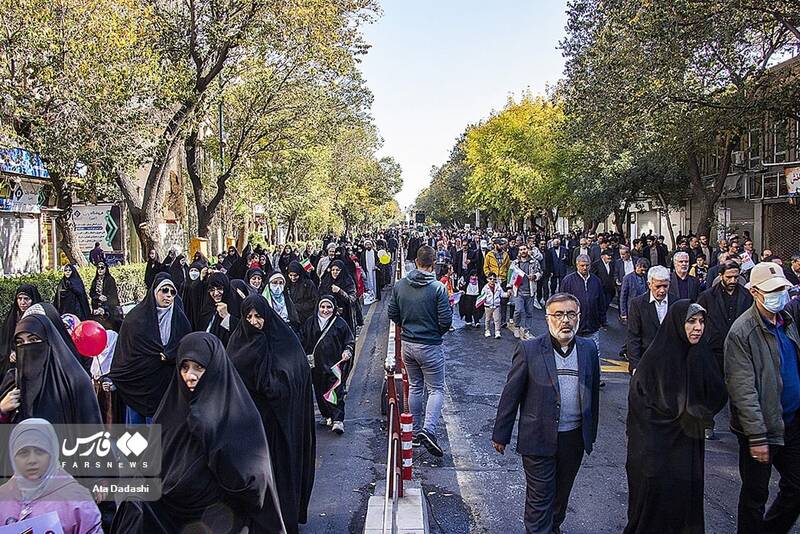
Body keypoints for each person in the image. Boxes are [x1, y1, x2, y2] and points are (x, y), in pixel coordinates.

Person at [112, 332, 283, 534]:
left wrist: (208, 431)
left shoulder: (238, 414)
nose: (190, 376)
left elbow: (252, 481)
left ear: (214, 368)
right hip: (172, 519)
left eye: (199, 367)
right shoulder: (170, 411)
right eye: (184, 367)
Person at [492, 293, 600, 534]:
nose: (566, 321)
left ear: (579, 317)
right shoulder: (529, 349)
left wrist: (589, 434)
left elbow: (593, 394)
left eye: (571, 314)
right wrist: (501, 434)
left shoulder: (588, 349)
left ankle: (553, 528)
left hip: (572, 440)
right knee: (540, 499)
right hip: (538, 437)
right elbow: (511, 394)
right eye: (559, 314)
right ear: (548, 318)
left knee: (560, 498)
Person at [624, 301, 727, 534]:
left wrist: (699, 414)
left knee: (684, 504)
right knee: (653, 505)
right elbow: (640, 408)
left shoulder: (702, 355)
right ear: (677, 324)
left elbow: (718, 391)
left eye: (701, 322)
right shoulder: (655, 359)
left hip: (688, 447)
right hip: (655, 451)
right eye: (691, 321)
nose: (698, 327)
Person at [227, 296, 315, 533]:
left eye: (258, 316)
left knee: (277, 475)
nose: (254, 322)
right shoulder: (238, 341)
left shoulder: (284, 341)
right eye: (249, 316)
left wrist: (268, 381)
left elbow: (294, 376)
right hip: (249, 428)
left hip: (278, 426)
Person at [725, 261, 800, 533]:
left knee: (796, 487)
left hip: (790, 422)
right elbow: (743, 389)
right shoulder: (741, 332)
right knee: (755, 495)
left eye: (782, 288)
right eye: (772, 290)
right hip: (760, 430)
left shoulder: (788, 322)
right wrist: (756, 436)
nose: (779, 294)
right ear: (754, 292)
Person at [388, 245, 452, 457]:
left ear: (416, 261)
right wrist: (434, 332)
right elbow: (445, 320)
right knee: (436, 389)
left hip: (408, 344)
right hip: (430, 344)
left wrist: (407, 326)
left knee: (415, 386)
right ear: (433, 263)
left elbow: (393, 313)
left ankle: (414, 431)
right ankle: (429, 430)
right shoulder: (437, 288)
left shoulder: (400, 285)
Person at [109, 273, 191, 421]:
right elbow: (124, 353)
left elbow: (185, 347)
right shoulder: (135, 319)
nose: (168, 296)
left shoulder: (180, 320)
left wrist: (171, 354)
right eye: (164, 290)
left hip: (164, 388)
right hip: (137, 385)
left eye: (172, 292)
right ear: (154, 291)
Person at [0, 418, 103, 533]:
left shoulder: (77, 499)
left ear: (52, 454)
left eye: (40, 451)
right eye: (23, 453)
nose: (32, 460)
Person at [4, 313, 102, 425]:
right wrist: (2, 410)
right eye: (20, 342)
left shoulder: (74, 381)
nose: (26, 347)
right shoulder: (12, 382)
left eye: (34, 340)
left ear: (49, 341)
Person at [697, 260, 753, 440]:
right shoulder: (707, 296)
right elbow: (698, 319)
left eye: (736, 277)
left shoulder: (746, 296)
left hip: (739, 350)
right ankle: (707, 422)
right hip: (715, 350)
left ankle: (740, 426)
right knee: (715, 389)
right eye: (729, 277)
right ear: (721, 276)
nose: (733, 280)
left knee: (739, 388)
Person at [302, 295, 354, 435]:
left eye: (329, 307)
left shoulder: (340, 323)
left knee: (336, 392)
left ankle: (338, 420)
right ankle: (326, 415)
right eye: (323, 307)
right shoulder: (310, 323)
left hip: (334, 366)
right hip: (316, 366)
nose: (325, 310)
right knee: (320, 392)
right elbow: (304, 341)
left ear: (334, 308)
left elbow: (349, 341)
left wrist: (347, 351)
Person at [626, 266, 673, 374]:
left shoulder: (676, 303)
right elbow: (633, 336)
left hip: (671, 364)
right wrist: (635, 366)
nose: (662, 290)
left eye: (665, 286)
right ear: (649, 284)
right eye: (658, 286)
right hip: (645, 362)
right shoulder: (638, 304)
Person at [561, 254, 604, 353]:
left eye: (587, 265)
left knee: (594, 353)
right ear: (577, 265)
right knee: (574, 353)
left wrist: (602, 320)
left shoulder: (596, 281)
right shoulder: (568, 281)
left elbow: (601, 302)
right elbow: (562, 303)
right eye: (582, 265)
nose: (585, 268)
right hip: (574, 326)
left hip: (593, 326)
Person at [1, 284, 42, 381]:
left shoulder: (39, 318)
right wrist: (10, 353)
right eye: (19, 299)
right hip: (13, 364)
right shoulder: (12, 318)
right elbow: (4, 341)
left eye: (26, 299)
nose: (22, 302)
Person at [196, 271, 240, 345]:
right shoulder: (206, 309)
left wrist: (227, 317)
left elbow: (239, 333)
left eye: (219, 288)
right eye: (212, 289)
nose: (216, 293)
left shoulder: (235, 307)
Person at [510, 244, 543, 339]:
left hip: (530, 291)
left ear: (527, 250)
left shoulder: (534, 262)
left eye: (524, 249)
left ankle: (527, 330)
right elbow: (511, 275)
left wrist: (535, 276)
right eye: (521, 250)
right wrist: (509, 287)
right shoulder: (515, 263)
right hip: (518, 291)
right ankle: (516, 326)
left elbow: (540, 272)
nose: (523, 251)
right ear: (519, 252)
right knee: (518, 310)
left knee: (529, 312)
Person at [319, 260, 358, 334]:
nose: (335, 272)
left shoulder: (348, 281)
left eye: (337, 270)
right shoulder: (326, 281)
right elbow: (320, 296)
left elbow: (352, 299)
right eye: (333, 270)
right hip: (328, 316)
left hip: (344, 316)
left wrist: (340, 291)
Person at [89, 260, 122, 331]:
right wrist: (98, 297)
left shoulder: (110, 280)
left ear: (106, 269)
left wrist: (104, 308)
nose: (100, 270)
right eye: (98, 268)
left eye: (102, 268)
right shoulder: (95, 280)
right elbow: (91, 293)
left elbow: (113, 295)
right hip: (97, 309)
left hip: (108, 309)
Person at [287, 261, 320, 325]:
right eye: (290, 275)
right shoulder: (287, 283)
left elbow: (314, 300)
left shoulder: (308, 284)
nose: (293, 278)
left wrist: (298, 307)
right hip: (292, 317)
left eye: (295, 275)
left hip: (306, 317)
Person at [591, 249, 617, 326]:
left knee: (606, 305)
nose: (610, 257)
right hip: (600, 289)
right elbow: (593, 276)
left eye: (610, 256)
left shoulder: (612, 264)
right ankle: (601, 320)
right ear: (602, 256)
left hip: (609, 289)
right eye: (608, 256)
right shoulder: (596, 264)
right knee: (601, 305)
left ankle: (602, 318)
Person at [619, 259, 649, 324]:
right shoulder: (627, 278)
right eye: (642, 270)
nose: (644, 272)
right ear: (637, 267)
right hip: (632, 309)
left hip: (645, 308)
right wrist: (623, 313)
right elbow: (623, 297)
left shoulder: (646, 277)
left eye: (645, 270)